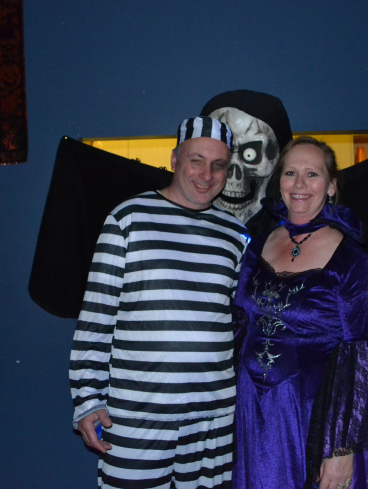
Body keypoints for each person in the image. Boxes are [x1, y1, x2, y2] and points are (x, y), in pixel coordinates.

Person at [69, 116, 249, 489]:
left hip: (213, 419)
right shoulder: (127, 219)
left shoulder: (235, 234)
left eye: (218, 165)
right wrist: (87, 399)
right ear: (174, 160)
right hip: (136, 414)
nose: (207, 175)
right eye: (196, 160)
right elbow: (96, 318)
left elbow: (239, 322)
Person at [232, 137, 368, 489]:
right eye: (290, 173)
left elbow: (359, 355)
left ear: (331, 186)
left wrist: (341, 447)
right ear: (279, 182)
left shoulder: (351, 260)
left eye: (312, 174)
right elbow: (239, 326)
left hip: (313, 415)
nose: (299, 184)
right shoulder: (256, 247)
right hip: (253, 410)